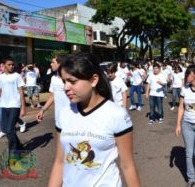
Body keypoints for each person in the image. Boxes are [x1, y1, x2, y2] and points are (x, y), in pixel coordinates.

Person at [48, 52, 140, 187]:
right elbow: (60, 161)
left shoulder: (116, 114)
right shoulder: (64, 114)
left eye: (72, 81)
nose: (66, 87)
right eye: (64, 81)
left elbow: (128, 165)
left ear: (93, 80)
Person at [0, 57, 26, 151]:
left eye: (13, 64)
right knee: (7, 130)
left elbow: (21, 91)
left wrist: (23, 107)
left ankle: (13, 153)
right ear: (4, 65)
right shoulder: (0, 77)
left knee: (9, 129)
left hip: (15, 105)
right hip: (3, 105)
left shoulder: (17, 76)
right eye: (9, 64)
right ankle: (18, 145)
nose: (11, 66)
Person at [36, 54, 67, 124]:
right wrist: (42, 110)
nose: (51, 64)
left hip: (72, 117)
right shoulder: (54, 78)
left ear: (60, 64)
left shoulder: (70, 79)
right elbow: (52, 96)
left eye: (53, 62)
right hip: (58, 117)